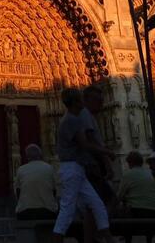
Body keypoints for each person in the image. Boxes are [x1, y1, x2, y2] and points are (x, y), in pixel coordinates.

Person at [52, 87, 114, 243]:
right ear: (75, 102)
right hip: (71, 168)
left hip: (77, 168)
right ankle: (57, 238)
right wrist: (106, 152)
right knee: (67, 208)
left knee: (97, 204)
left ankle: (107, 238)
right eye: (80, 100)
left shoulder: (73, 117)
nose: (83, 103)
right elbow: (85, 144)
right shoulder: (72, 119)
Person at [117, 151, 155, 243]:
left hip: (138, 212)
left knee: (124, 211)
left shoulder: (128, 175)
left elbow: (119, 196)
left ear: (130, 162)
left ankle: (127, 239)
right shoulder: (149, 174)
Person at [14, 144, 58, 221]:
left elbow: (18, 191)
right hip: (47, 211)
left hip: (25, 211)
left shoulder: (21, 170)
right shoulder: (50, 168)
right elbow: (55, 190)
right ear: (40, 155)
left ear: (27, 156)